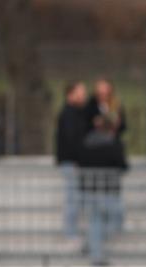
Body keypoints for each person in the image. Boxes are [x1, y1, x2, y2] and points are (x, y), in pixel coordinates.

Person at [77, 115, 128, 266]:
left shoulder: (86, 142)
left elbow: (80, 162)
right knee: (114, 219)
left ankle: (92, 246)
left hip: (89, 189)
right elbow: (122, 165)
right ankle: (96, 252)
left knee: (96, 221)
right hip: (108, 190)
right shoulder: (114, 143)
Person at [55, 81, 88, 238]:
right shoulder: (68, 114)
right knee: (72, 198)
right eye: (80, 92)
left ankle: (74, 231)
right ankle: (70, 232)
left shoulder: (78, 113)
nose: (84, 95)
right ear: (70, 94)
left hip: (74, 162)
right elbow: (71, 140)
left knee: (76, 198)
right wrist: (77, 160)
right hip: (71, 163)